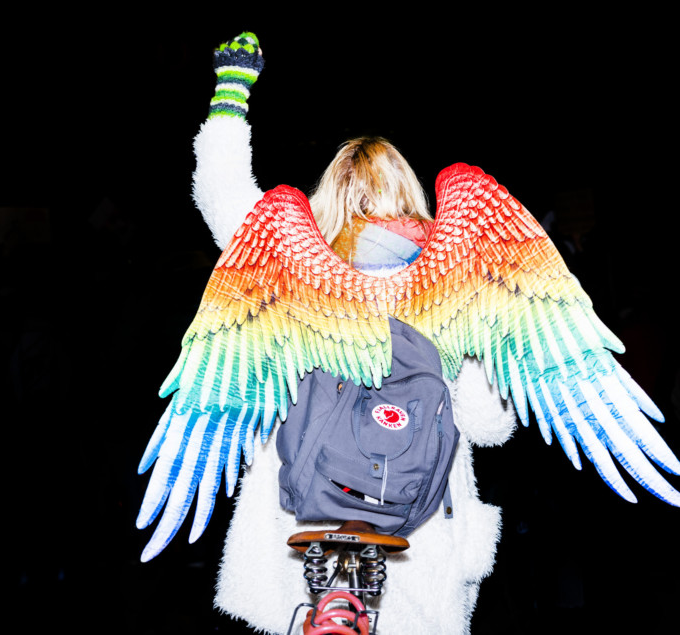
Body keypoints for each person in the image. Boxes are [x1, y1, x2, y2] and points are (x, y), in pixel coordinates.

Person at [192, 32, 515, 634]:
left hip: (303, 550)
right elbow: (489, 424)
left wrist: (231, 91)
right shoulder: (453, 284)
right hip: (417, 553)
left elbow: (222, 194)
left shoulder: (290, 268)